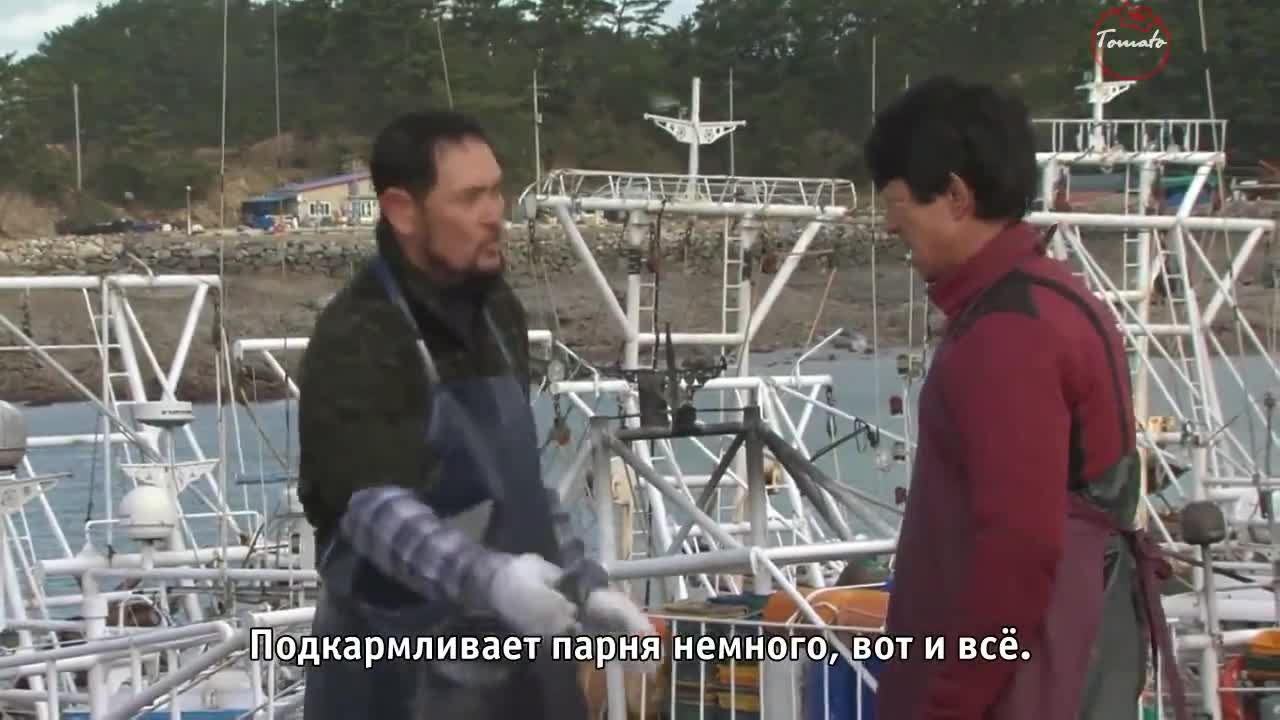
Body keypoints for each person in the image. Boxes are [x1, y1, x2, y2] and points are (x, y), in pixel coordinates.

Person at [297, 110, 654, 720]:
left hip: (523, 679)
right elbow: (370, 507)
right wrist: (490, 580)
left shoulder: (499, 315)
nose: (495, 215)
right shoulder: (359, 333)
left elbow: (520, 487)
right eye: (470, 198)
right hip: (398, 682)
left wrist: (587, 587)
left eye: (496, 192)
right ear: (403, 211)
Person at [864, 76, 1187, 720]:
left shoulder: (1004, 336)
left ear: (955, 195)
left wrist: (949, 705)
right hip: (1079, 657)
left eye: (898, 204)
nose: (890, 223)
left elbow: (1018, 547)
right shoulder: (1055, 295)